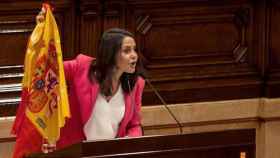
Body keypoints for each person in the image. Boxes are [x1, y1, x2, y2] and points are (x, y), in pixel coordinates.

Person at [13, 9, 145, 155]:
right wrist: (41, 34)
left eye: (134, 50)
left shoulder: (136, 84)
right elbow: (46, 68)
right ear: (110, 53)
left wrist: (128, 140)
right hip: (73, 153)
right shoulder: (81, 68)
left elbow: (135, 125)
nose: (134, 55)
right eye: (127, 51)